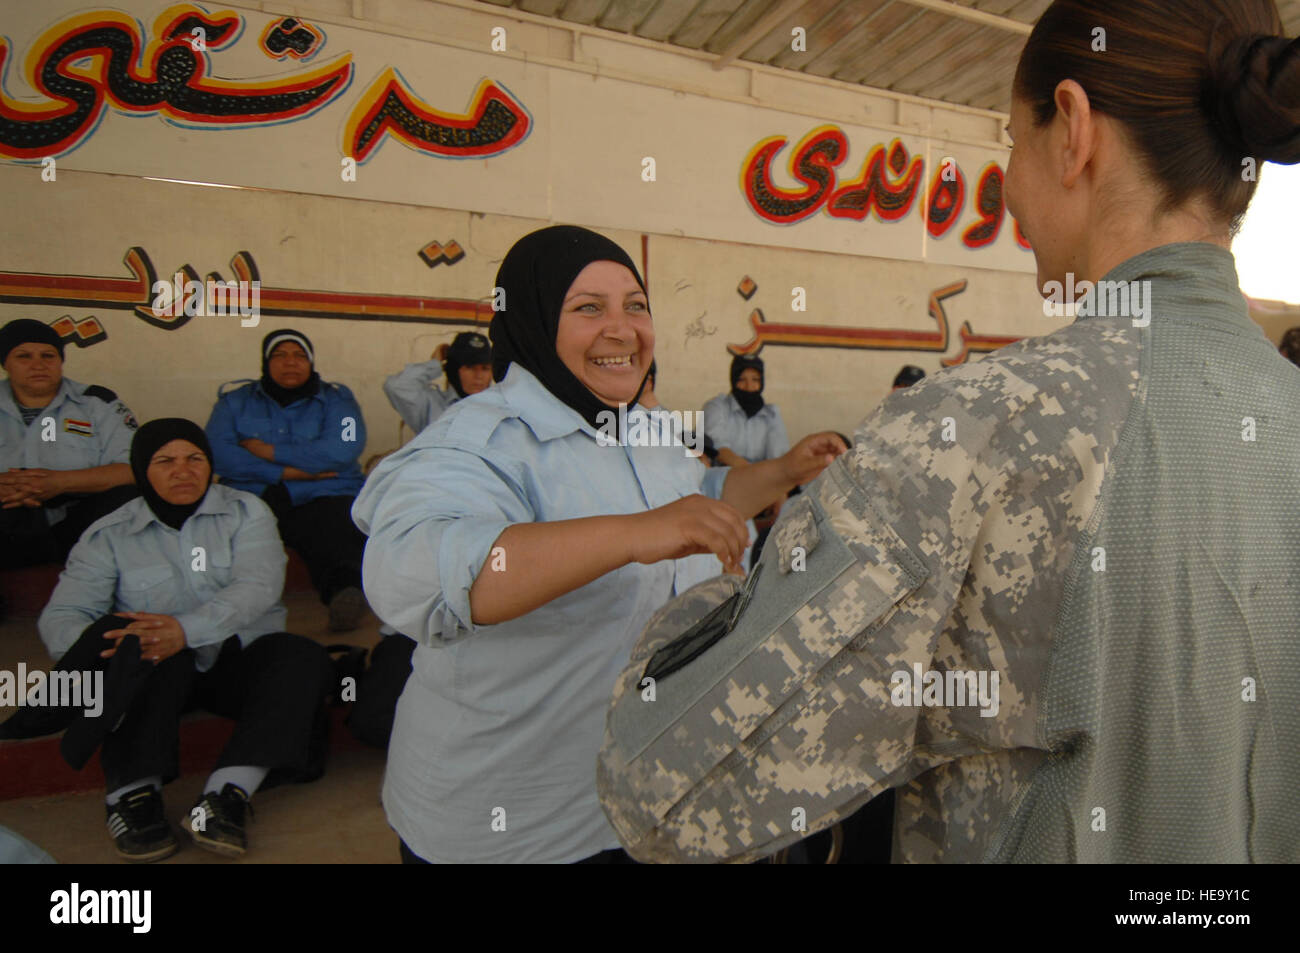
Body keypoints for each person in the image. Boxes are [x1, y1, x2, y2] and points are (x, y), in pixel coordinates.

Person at [599, 0, 1300, 863]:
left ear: (1072, 129)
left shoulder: (975, 429)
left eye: (1011, 140)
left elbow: (662, 783)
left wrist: (722, 605)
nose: (1007, 183)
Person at [353, 225, 844, 864]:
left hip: (648, 796)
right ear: (531, 320)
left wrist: (783, 471)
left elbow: (702, 497)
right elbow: (420, 572)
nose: (622, 328)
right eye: (588, 308)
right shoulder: (479, 441)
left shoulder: (645, 427)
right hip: (514, 823)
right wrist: (635, 535)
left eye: (635, 306)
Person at [23, 418, 333, 861]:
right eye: (164, 461)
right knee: (142, 650)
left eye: (195, 459)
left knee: (301, 657)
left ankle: (224, 798)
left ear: (209, 465)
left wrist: (183, 630)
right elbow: (65, 613)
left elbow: (257, 587)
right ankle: (132, 797)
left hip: (233, 660)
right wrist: (110, 647)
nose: (182, 470)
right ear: (141, 470)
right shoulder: (109, 534)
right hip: (155, 673)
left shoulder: (246, 512)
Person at [205, 329, 370, 631]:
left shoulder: (338, 401)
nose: (290, 363)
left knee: (336, 525)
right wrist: (285, 472)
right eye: (280, 355)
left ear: (311, 362)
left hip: (323, 492)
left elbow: (344, 448)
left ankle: (344, 596)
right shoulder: (235, 402)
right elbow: (218, 451)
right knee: (222, 525)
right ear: (266, 362)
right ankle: (215, 607)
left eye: (299, 355)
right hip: (255, 492)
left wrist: (268, 450)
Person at [0, 319, 139, 577]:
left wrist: (59, 482)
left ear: (61, 361)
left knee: (130, 498)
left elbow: (133, 468)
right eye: (24, 356)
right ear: (5, 363)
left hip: (74, 520)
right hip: (5, 517)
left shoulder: (97, 403)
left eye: (48, 355)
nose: (38, 364)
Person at [383, 330, 493, 433]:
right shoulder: (432, 405)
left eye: (485, 368)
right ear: (454, 370)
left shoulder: (500, 408)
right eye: (470, 367)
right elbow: (396, 385)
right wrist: (434, 364)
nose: (479, 376)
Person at [701, 354, 789, 468]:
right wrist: (749, 473)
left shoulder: (771, 414)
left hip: (762, 479)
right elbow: (716, 448)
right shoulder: (716, 407)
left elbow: (778, 457)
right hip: (722, 478)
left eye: (755, 379)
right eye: (742, 379)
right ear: (733, 380)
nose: (749, 386)